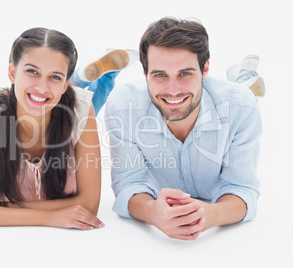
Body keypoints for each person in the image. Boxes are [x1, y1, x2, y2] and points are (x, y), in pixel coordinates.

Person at [0, 28, 133, 229]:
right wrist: (47, 218)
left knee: (89, 101)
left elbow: (88, 205)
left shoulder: (81, 110)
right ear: (12, 73)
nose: (41, 86)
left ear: (65, 84)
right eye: (32, 71)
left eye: (55, 77)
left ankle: (106, 76)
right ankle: (79, 77)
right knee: (57, 99)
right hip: (54, 104)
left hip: (66, 107)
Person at [104, 17, 263, 240]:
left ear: (205, 69)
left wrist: (211, 214)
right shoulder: (123, 107)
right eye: (160, 75)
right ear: (144, 74)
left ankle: (244, 74)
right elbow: (128, 184)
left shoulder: (240, 107)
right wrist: (152, 212)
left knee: (247, 93)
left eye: (185, 74)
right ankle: (241, 75)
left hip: (233, 99)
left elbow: (242, 188)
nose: (173, 90)